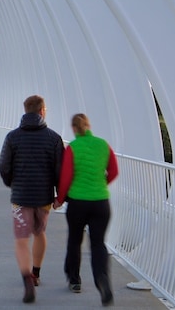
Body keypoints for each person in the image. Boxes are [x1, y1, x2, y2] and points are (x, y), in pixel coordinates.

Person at [0, 95, 64, 303]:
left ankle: (26, 278)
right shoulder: (53, 138)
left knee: (21, 239)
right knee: (39, 233)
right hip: (43, 196)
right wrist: (59, 195)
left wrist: (11, 183)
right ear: (42, 111)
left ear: (25, 111)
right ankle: (36, 272)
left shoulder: (12, 137)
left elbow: (3, 166)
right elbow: (60, 170)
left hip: (20, 196)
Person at [53, 113, 119, 306]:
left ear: (74, 129)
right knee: (98, 244)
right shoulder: (103, 145)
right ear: (88, 126)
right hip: (101, 202)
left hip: (78, 203)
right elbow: (114, 171)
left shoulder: (73, 148)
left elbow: (65, 178)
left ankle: (74, 280)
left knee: (75, 240)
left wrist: (59, 199)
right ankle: (103, 282)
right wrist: (101, 184)